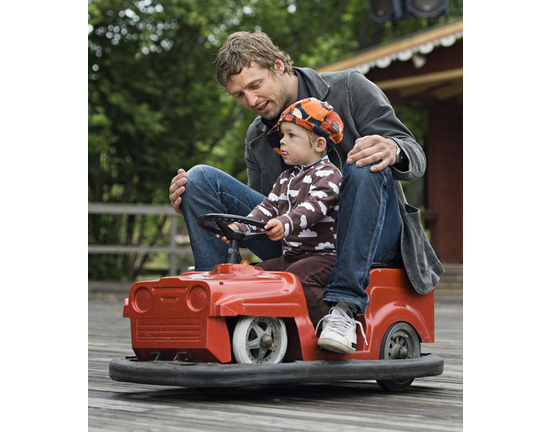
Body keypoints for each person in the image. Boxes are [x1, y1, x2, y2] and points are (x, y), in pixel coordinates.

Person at [168, 31, 444, 355]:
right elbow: (264, 210)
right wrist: (198, 204)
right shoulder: (258, 136)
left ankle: (343, 309)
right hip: (303, 242)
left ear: (279, 65)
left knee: (361, 161)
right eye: (238, 95)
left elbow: (417, 155)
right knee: (199, 179)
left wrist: (394, 148)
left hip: (375, 238)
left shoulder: (350, 87)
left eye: (255, 86)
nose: (251, 101)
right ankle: (212, 312)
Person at [221, 97, 343, 328]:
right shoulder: (286, 178)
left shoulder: (329, 174)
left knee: (298, 280)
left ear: (318, 145)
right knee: (254, 276)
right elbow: (265, 209)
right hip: (290, 257)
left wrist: (286, 222)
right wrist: (240, 227)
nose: (282, 141)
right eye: (282, 135)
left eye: (291, 135)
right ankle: (265, 327)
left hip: (324, 258)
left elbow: (314, 208)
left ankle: (327, 328)